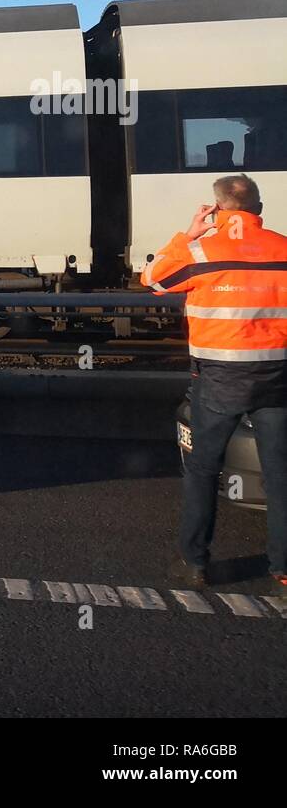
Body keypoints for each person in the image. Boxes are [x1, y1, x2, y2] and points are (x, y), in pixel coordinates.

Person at [144, 175, 287, 595]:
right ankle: (283, 572)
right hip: (277, 379)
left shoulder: (200, 251)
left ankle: (195, 563)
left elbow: (152, 279)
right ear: (258, 210)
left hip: (218, 382)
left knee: (203, 470)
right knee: (280, 476)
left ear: (218, 210)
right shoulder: (283, 249)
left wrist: (189, 233)